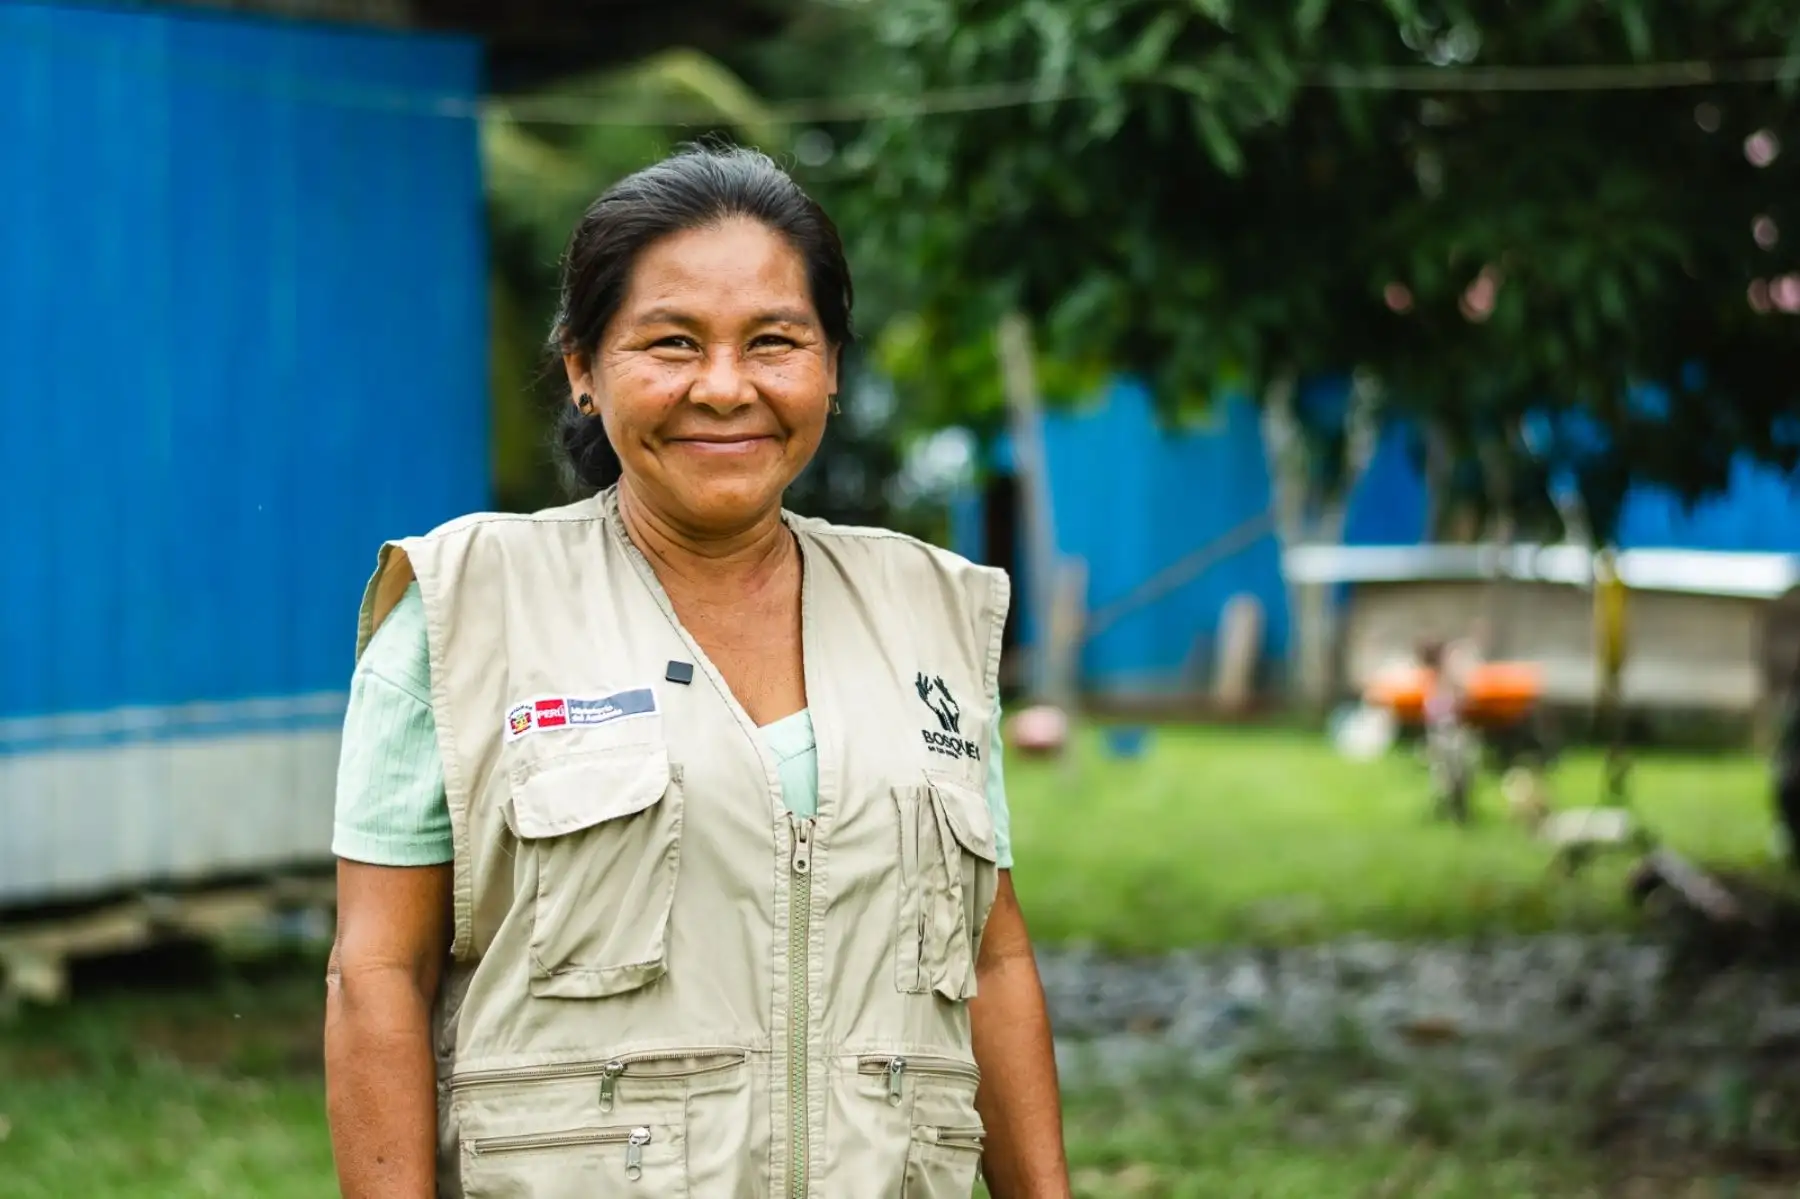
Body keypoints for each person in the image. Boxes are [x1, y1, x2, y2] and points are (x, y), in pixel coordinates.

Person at [323, 145, 1071, 1198]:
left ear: (832, 366)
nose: (726, 387)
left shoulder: (930, 612)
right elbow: (376, 975)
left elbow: (991, 964)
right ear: (583, 366)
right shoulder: (467, 606)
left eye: (776, 341)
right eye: (671, 343)